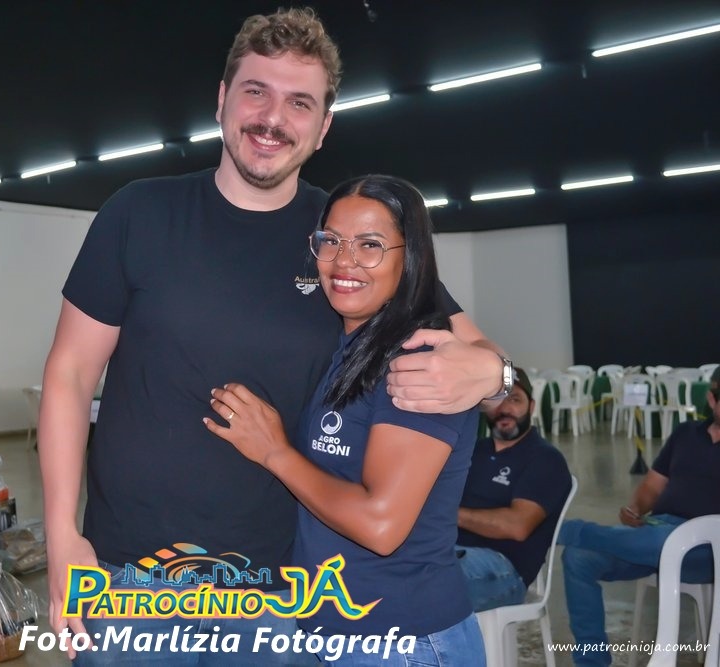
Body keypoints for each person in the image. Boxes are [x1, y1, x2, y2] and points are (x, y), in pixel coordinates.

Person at [38, 8, 508, 664]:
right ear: (222, 99)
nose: (272, 118)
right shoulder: (138, 214)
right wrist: (61, 534)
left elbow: (477, 352)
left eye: (299, 103)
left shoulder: (342, 240)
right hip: (130, 578)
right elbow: (69, 375)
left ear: (323, 126)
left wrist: (493, 373)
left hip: (279, 591)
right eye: (256, 91)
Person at [207, 175, 485, 666]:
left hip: (401, 641)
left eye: (370, 245)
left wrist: (275, 453)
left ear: (410, 257)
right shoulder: (351, 347)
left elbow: (381, 525)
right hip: (339, 634)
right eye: (331, 241)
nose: (344, 261)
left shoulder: (419, 362)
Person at [558, 366, 720, 666]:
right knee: (578, 558)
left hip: (706, 549)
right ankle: (592, 661)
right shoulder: (686, 434)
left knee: (664, 538)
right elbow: (652, 486)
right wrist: (636, 508)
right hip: (656, 533)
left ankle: (564, 530)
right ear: (712, 399)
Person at [455, 367, 572, 611]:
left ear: (532, 407)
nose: (504, 408)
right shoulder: (472, 451)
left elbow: (517, 526)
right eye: (496, 400)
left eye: (515, 399)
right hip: (448, 552)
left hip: (503, 569)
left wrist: (449, 514)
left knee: (427, 582)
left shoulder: (545, 459)